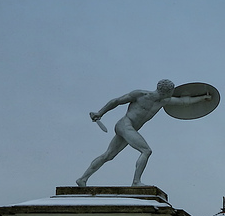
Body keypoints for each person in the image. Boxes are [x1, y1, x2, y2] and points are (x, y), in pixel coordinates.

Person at [76, 79, 213, 187]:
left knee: (108, 156)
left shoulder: (163, 101)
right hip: (125, 125)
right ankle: (136, 182)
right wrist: (100, 112)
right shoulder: (140, 95)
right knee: (146, 151)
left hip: (130, 129)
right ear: (166, 92)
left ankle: (82, 179)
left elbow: (184, 102)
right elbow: (116, 101)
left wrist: (203, 97)